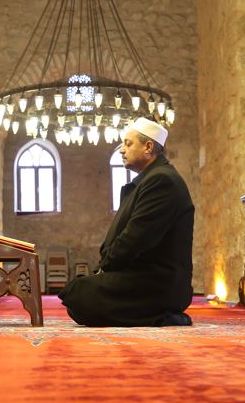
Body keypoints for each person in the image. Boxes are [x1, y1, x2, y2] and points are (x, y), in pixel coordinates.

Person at [58, 117, 195, 327]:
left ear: (148, 147)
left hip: (159, 283)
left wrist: (105, 269)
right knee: (80, 294)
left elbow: (136, 238)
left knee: (81, 294)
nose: (122, 150)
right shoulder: (151, 179)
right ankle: (158, 314)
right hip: (144, 276)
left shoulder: (161, 181)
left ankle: (165, 314)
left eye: (128, 143)